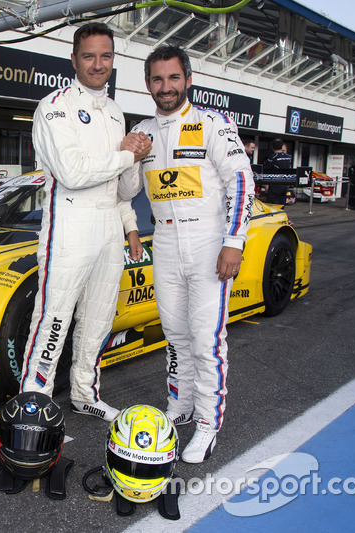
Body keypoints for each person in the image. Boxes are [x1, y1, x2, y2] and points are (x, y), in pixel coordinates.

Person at [123, 45, 255, 463]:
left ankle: (207, 423)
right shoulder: (141, 133)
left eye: (173, 78)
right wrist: (128, 157)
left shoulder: (212, 123)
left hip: (208, 244)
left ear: (188, 80)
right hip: (164, 244)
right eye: (158, 80)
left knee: (206, 341)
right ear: (148, 85)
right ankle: (179, 405)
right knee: (176, 336)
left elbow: (242, 181)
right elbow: (125, 192)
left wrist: (233, 241)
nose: (166, 87)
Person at [18, 22, 151, 423]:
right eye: (89, 56)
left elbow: (124, 188)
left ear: (113, 59)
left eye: (105, 56)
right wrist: (128, 155)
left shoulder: (114, 111)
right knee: (53, 314)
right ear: (73, 59)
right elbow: (74, 172)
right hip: (71, 223)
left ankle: (83, 391)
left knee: (99, 315)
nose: (98, 64)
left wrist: (136, 161)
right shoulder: (54, 106)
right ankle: (33, 401)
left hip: (109, 225)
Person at [263, 138, 292, 206]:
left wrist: (266, 185)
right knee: (281, 204)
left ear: (272, 147)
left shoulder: (272, 158)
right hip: (284, 184)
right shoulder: (288, 157)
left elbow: (266, 172)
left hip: (274, 185)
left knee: (272, 205)